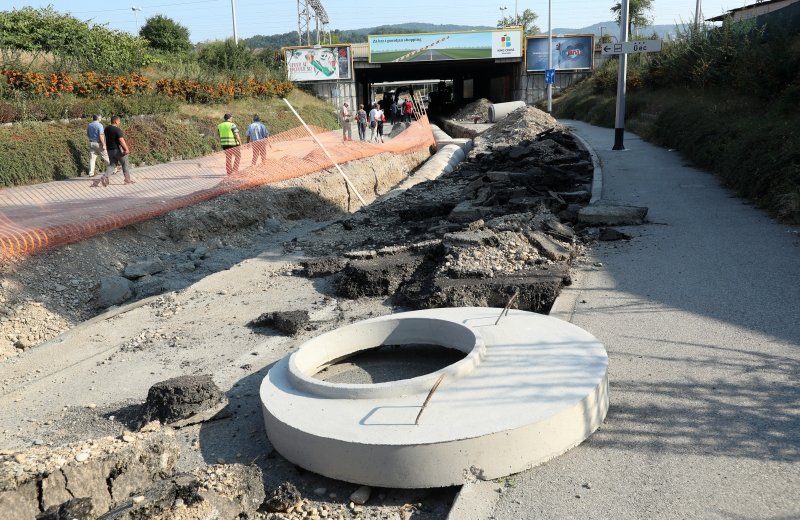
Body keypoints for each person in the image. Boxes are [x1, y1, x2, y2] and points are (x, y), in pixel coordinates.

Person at [91, 115, 133, 187]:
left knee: (112, 165)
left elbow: (103, 136)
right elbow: (121, 140)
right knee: (124, 163)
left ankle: (104, 177)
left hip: (110, 150)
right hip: (117, 150)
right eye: (119, 121)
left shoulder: (106, 129)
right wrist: (126, 149)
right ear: (116, 121)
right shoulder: (117, 130)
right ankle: (127, 179)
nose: (119, 122)